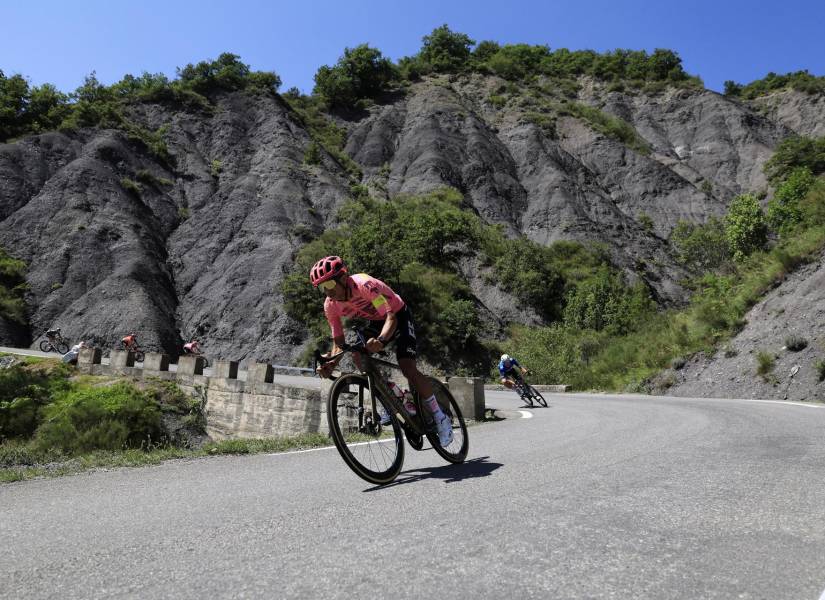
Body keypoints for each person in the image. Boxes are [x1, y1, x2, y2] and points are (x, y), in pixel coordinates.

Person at [311, 255, 453, 447]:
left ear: (343, 277)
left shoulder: (364, 285)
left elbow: (391, 317)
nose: (327, 291)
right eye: (322, 287)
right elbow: (339, 341)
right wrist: (331, 363)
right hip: (377, 321)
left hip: (398, 315)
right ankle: (392, 393)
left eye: (328, 283)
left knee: (407, 367)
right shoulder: (331, 305)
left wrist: (381, 340)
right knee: (358, 355)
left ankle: (440, 417)